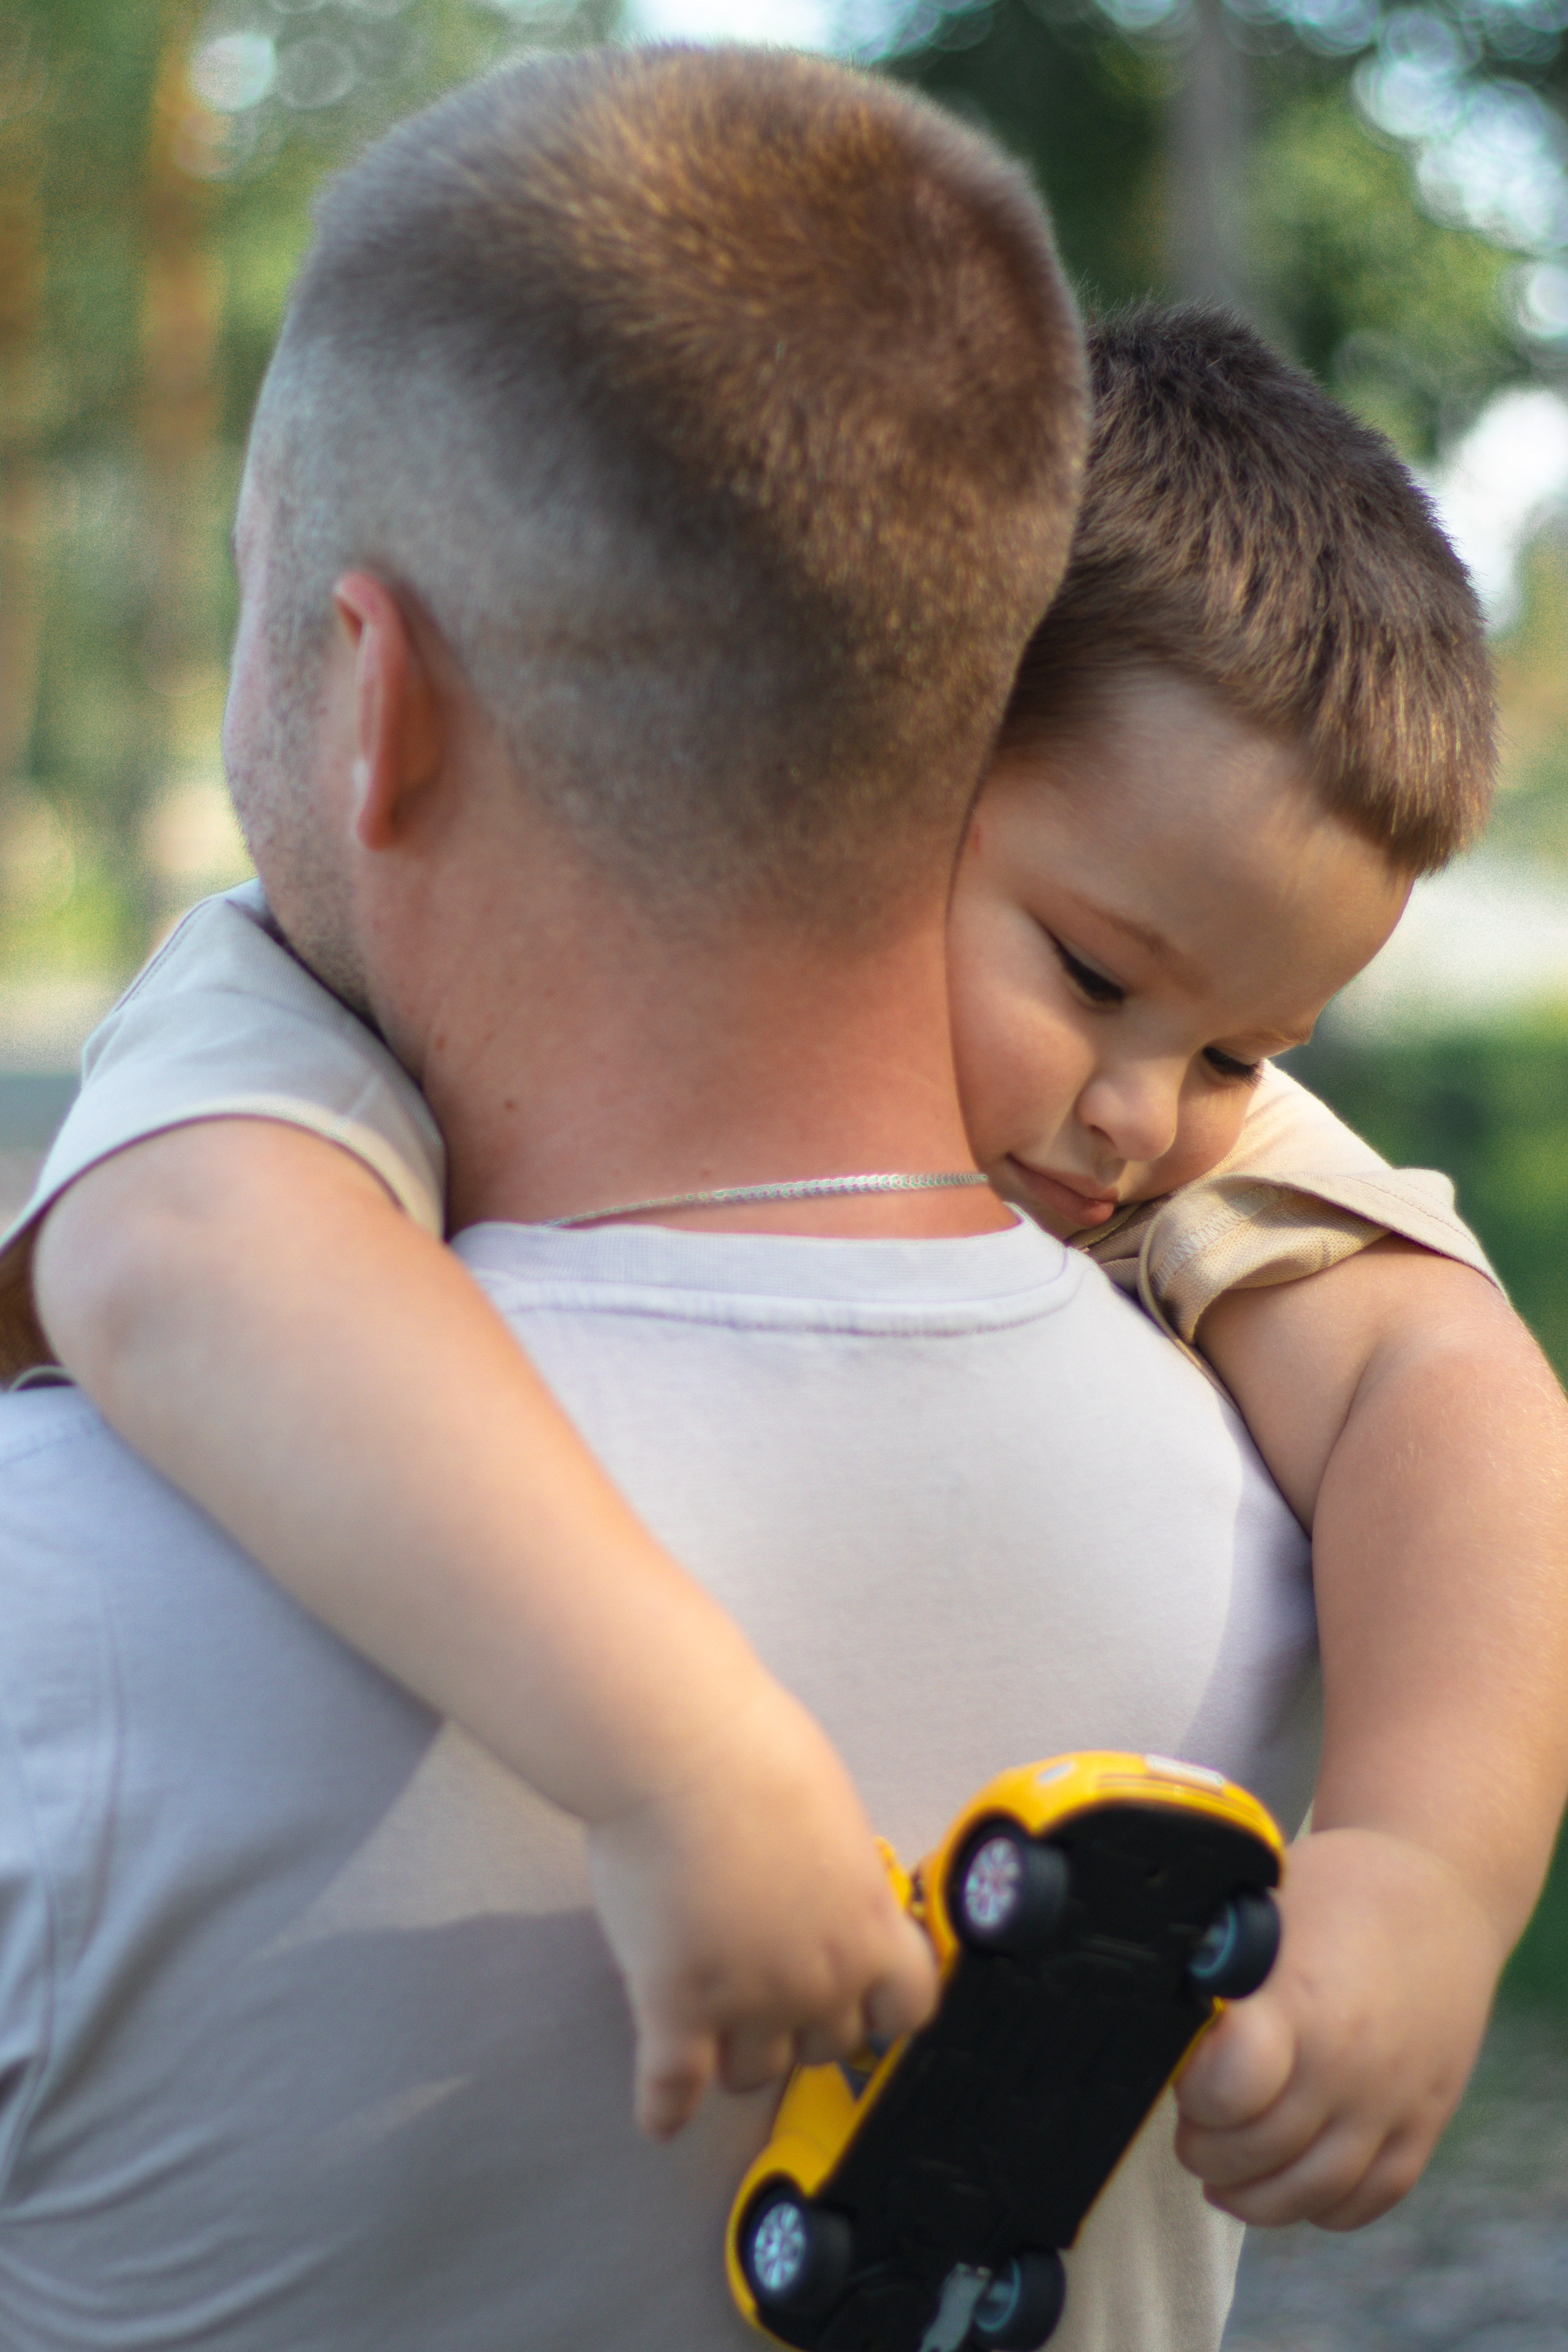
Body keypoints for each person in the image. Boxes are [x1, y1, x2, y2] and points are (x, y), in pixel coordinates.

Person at [6, 271, 1568, 2252]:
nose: (1144, 1119)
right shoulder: (338, 960)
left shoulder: (1124, 1042)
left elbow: (1435, 1375)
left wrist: (1429, 1866)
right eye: (1090, 980)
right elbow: (178, 1259)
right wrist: (674, 1753)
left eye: (1242, 1052)